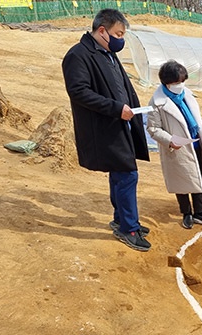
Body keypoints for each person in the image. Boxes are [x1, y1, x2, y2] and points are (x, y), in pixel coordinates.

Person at [61, 9, 151, 251]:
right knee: (127, 173)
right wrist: (115, 108)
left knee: (120, 172)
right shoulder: (79, 55)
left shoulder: (108, 52)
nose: (121, 39)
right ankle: (128, 229)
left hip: (122, 122)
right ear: (102, 31)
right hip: (104, 126)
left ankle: (122, 218)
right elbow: (79, 91)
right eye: (118, 33)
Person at [147, 60, 202, 229]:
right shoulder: (157, 102)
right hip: (176, 147)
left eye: (182, 81)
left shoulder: (187, 94)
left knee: (198, 177)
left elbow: (195, 118)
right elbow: (153, 128)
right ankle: (186, 212)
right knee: (180, 180)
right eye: (175, 82)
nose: (179, 85)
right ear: (166, 82)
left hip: (195, 143)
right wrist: (170, 140)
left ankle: (201, 213)